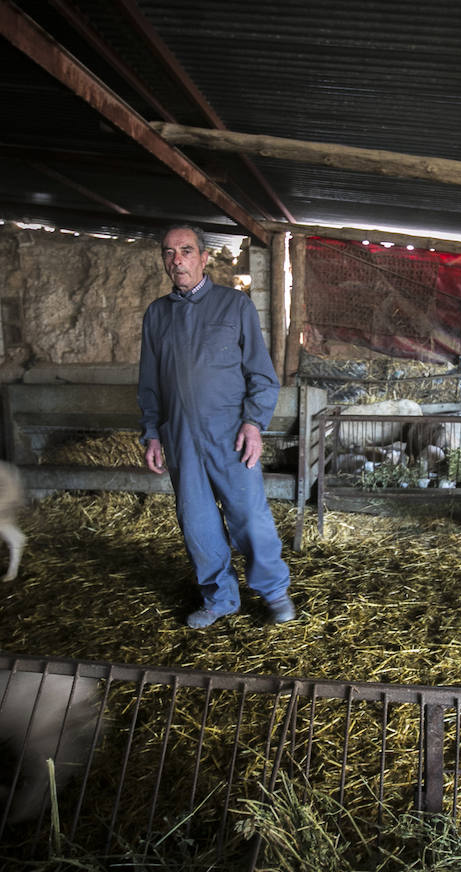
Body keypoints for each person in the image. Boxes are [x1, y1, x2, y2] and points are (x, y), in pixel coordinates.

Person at [137, 225, 295, 628]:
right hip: (181, 437)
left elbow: (261, 375)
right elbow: (150, 381)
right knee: (198, 523)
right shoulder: (157, 314)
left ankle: (274, 592)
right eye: (169, 252)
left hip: (230, 435)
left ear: (204, 257)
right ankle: (220, 598)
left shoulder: (234, 306)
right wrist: (152, 432)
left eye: (186, 250)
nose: (177, 260)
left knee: (249, 516)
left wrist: (254, 423)